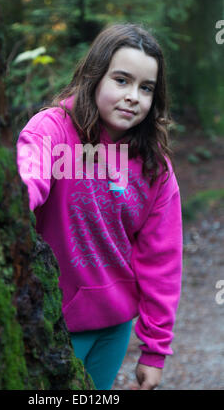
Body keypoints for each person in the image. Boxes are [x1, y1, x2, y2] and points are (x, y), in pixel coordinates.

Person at [16, 23, 183, 390]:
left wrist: (155, 351)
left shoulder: (154, 166)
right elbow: (29, 174)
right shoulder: (55, 129)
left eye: (146, 88)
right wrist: (19, 199)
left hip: (113, 326)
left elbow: (161, 260)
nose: (133, 97)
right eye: (121, 80)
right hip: (51, 320)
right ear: (94, 76)